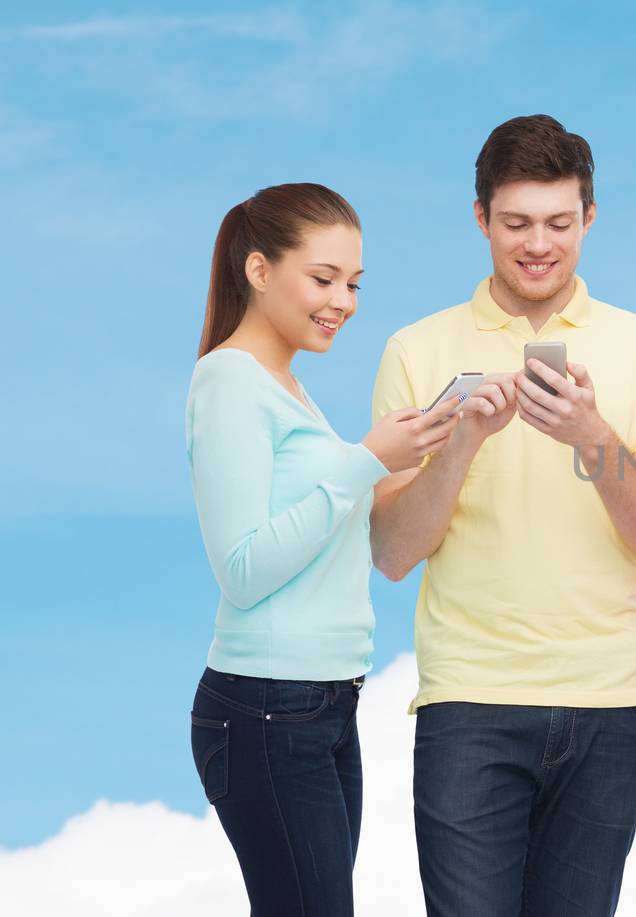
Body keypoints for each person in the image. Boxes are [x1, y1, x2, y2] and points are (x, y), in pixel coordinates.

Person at [367, 115, 636, 917]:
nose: (537, 244)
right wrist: (464, 439)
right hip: (470, 701)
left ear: (589, 218)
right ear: (481, 219)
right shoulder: (417, 348)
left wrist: (591, 433)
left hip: (609, 704)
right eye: (515, 223)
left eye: (558, 222)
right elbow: (392, 550)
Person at [186, 183, 465, 915]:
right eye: (323, 278)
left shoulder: (287, 386)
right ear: (258, 271)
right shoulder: (229, 383)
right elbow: (243, 569)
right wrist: (366, 459)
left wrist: (429, 447)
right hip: (267, 708)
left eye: (354, 283)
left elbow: (338, 526)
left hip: (323, 705)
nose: (343, 300)